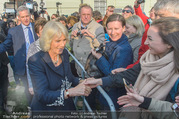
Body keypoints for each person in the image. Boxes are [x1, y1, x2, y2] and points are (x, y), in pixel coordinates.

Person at [86, 17, 179, 110]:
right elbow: (129, 75)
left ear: (169, 43)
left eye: (150, 39)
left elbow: (174, 111)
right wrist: (99, 81)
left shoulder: (176, 74)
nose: (146, 42)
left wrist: (144, 102)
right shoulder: (147, 58)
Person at [28, 21, 91, 111]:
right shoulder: (35, 60)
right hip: (46, 110)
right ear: (47, 41)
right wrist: (70, 92)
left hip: (66, 107)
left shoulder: (64, 53)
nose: (62, 45)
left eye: (64, 40)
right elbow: (42, 95)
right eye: (58, 41)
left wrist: (83, 82)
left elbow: (69, 78)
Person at [91, 14, 133, 110]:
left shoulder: (123, 49)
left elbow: (114, 75)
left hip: (114, 96)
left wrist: (99, 57)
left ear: (123, 28)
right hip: (107, 92)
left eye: (116, 28)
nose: (113, 32)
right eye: (110, 29)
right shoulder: (109, 42)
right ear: (106, 28)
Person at [0, 6, 38, 105]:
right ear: (19, 18)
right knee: (28, 91)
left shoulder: (36, 28)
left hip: (38, 64)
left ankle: (41, 109)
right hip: (23, 66)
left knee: (39, 88)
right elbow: (6, 44)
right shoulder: (13, 31)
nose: (25, 19)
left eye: (27, 16)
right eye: (23, 17)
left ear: (30, 16)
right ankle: (31, 109)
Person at [70, 4, 105, 76]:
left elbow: (102, 48)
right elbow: (71, 46)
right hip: (77, 67)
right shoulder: (75, 26)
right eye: (84, 14)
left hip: (91, 70)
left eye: (88, 14)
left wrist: (92, 36)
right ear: (79, 14)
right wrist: (72, 37)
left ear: (92, 15)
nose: (86, 17)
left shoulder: (98, 27)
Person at [27, 18, 47, 96]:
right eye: (42, 31)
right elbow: (28, 67)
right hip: (39, 82)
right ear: (38, 34)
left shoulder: (54, 44)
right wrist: (31, 85)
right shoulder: (33, 47)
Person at [0, 27, 9, 117]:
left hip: (3, 65)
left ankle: (4, 105)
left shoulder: (0, 36)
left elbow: (7, 42)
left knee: (4, 86)